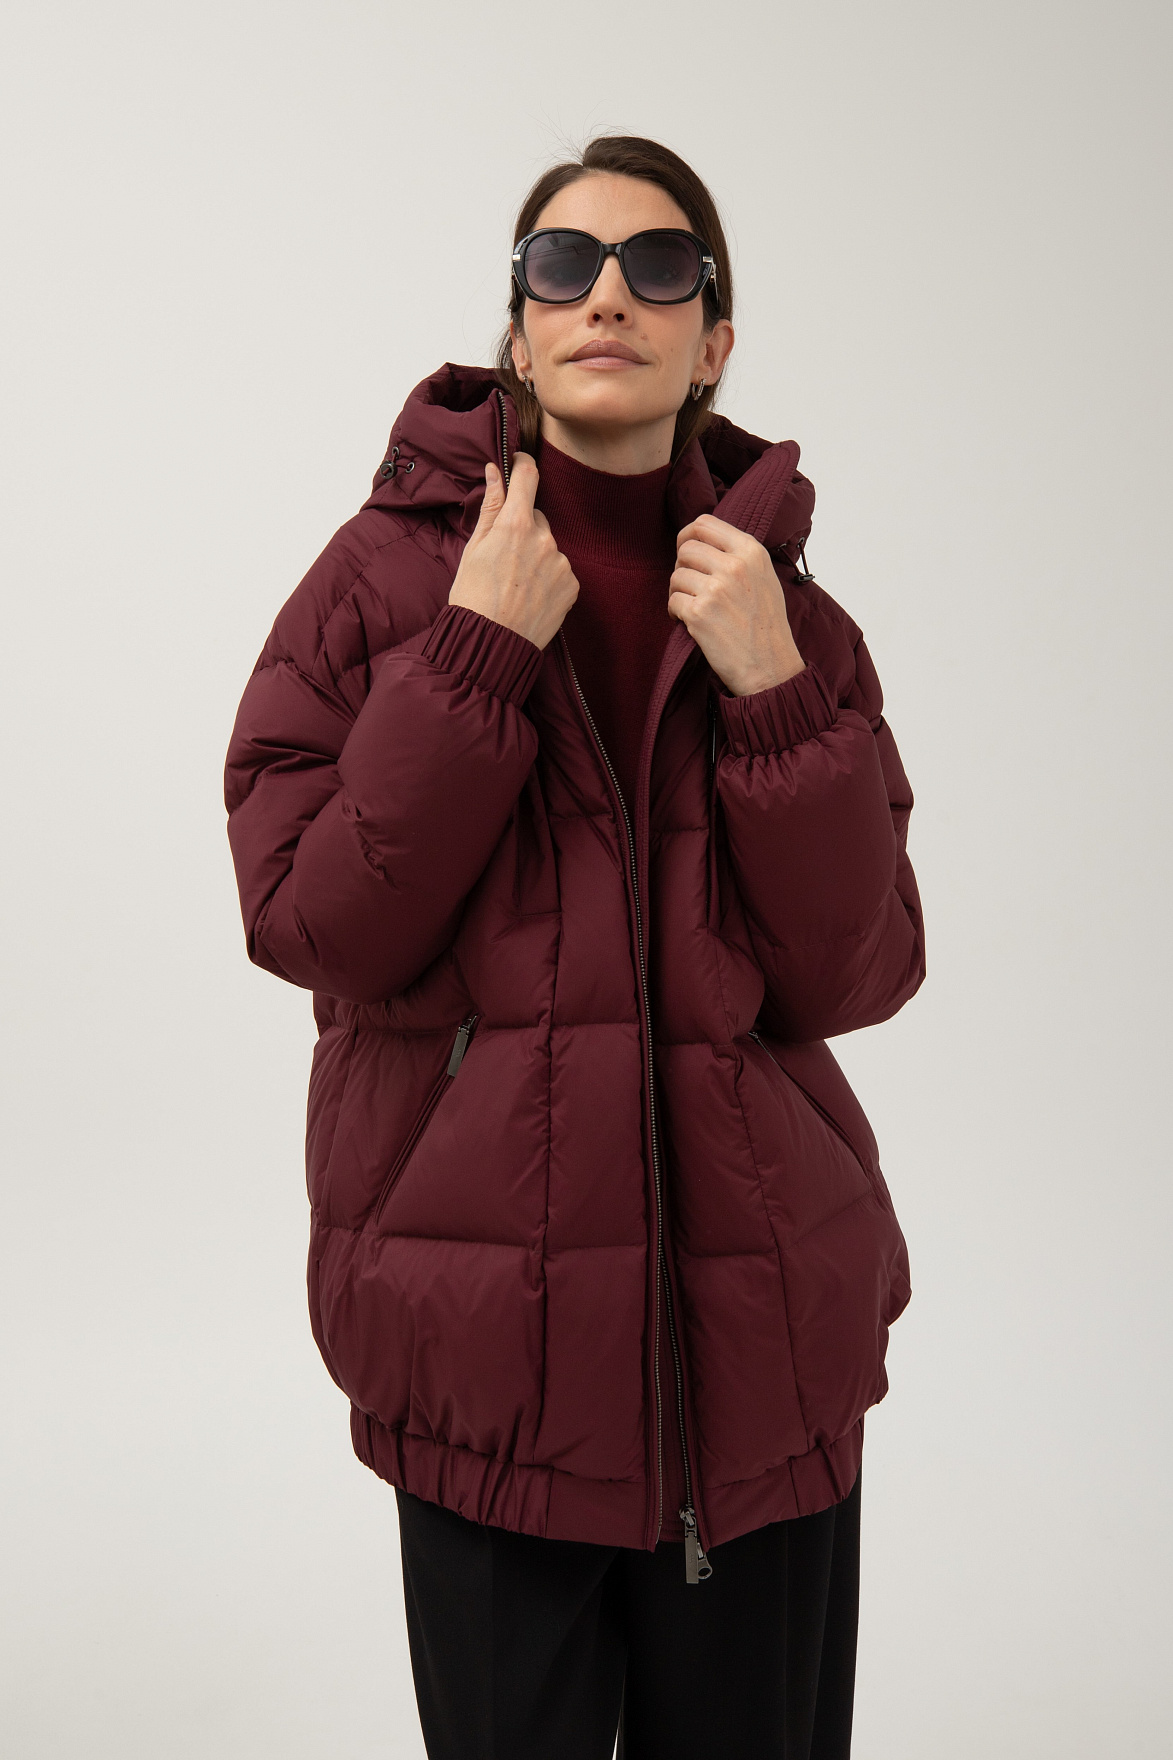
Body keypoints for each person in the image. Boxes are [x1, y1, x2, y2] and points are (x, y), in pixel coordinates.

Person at [224, 133, 926, 1759]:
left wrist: (774, 699)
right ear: (520, 329)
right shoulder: (379, 588)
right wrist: (473, 657)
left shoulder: (785, 615)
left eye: (658, 266)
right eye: (564, 264)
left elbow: (857, 973)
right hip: (489, 1364)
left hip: (764, 1360)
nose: (608, 294)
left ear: (713, 341)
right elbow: (311, 920)